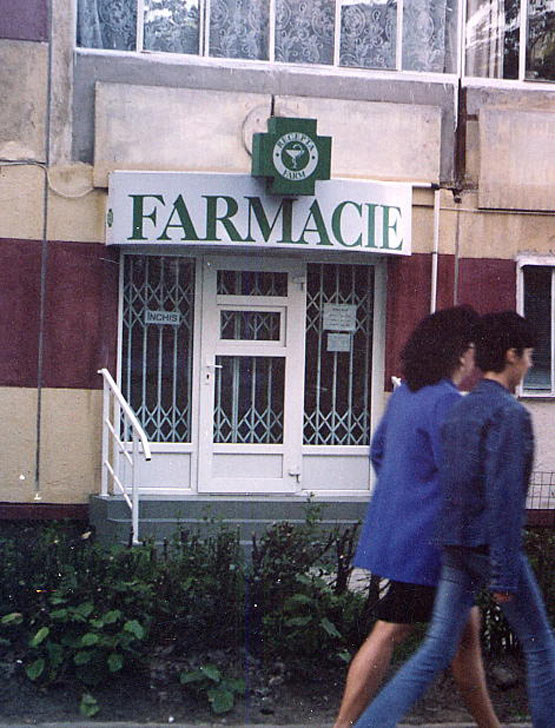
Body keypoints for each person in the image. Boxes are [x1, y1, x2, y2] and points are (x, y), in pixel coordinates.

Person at [352, 311, 555, 728]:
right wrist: (502, 572)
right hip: (464, 542)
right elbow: (497, 495)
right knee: (538, 646)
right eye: (529, 355)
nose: (530, 363)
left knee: (445, 645)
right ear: (510, 355)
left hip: (447, 544)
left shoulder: (440, 402)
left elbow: (395, 459)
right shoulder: (487, 409)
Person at [333, 306, 501, 728]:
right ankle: (342, 726)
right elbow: (462, 477)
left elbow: (379, 452)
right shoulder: (448, 403)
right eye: (473, 349)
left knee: (465, 633)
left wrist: (407, 495)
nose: (476, 358)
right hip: (433, 545)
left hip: (407, 536)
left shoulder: (407, 395)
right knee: (392, 629)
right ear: (459, 351)